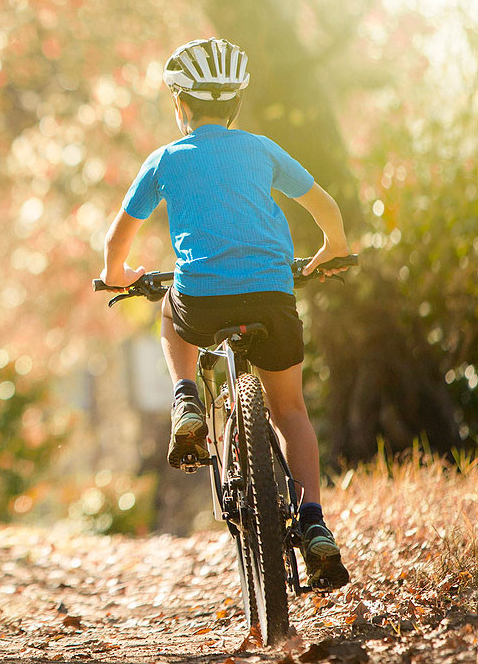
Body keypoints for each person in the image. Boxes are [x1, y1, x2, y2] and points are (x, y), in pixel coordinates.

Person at [99, 38, 350, 591]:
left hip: (203, 299)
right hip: (272, 296)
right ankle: (313, 522)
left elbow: (118, 238)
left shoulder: (164, 159)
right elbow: (325, 207)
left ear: (181, 106)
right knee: (290, 411)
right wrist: (330, 249)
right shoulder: (261, 149)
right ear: (235, 105)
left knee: (169, 305)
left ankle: (186, 396)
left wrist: (119, 276)